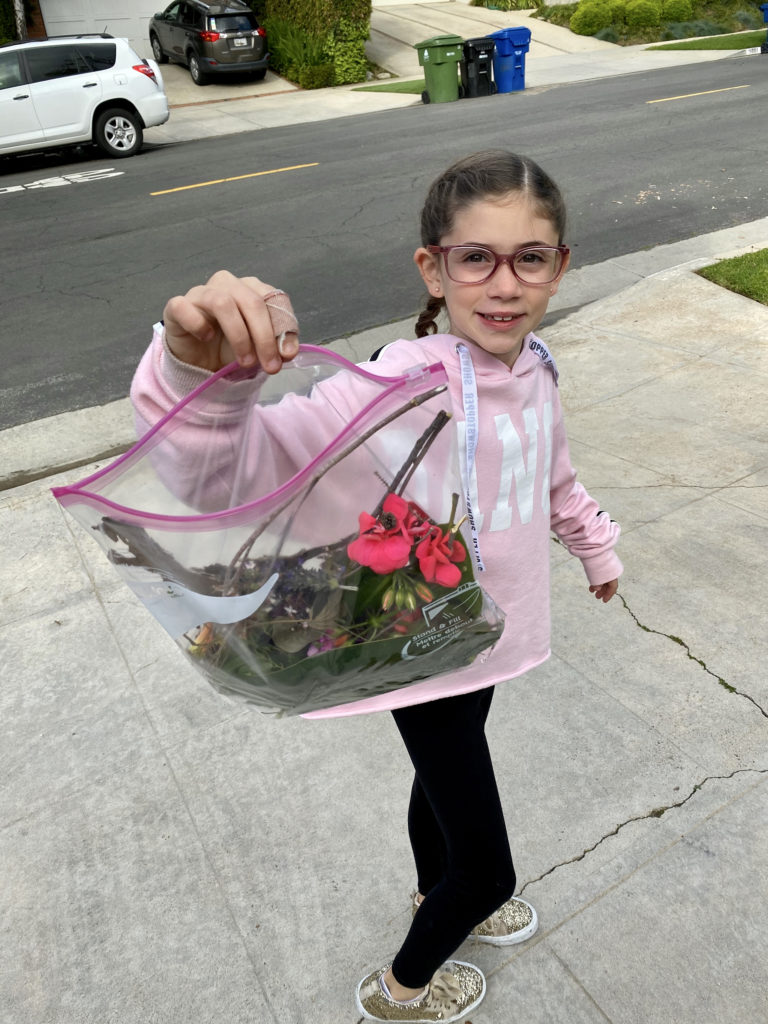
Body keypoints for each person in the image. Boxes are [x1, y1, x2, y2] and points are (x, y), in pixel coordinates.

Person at [131, 150, 622, 1024]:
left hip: (485, 640)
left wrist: (596, 549)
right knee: (489, 867)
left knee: (441, 783)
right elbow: (222, 477)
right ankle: (403, 989)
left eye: (530, 257)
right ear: (433, 267)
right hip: (415, 642)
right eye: (477, 257)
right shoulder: (397, 386)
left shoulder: (537, 367)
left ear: (561, 264)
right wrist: (196, 378)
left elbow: (555, 480)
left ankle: (435, 889)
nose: (504, 284)